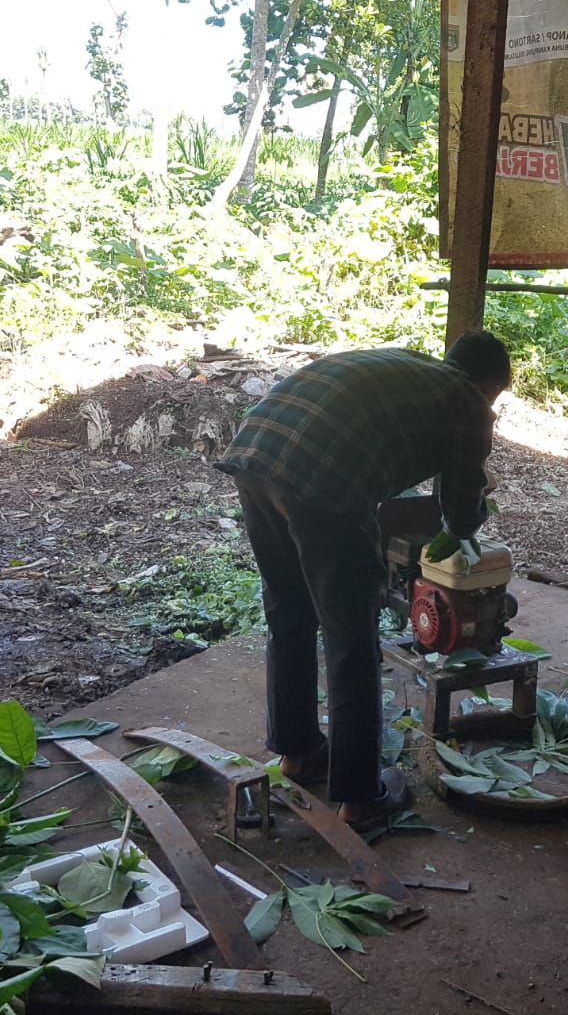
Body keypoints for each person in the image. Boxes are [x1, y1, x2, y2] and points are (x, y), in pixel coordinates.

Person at [217, 333, 512, 827]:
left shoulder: (413, 369)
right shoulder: (468, 400)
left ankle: (297, 753)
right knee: (350, 638)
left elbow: (374, 441)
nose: (492, 407)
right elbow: (460, 516)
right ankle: (359, 798)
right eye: (496, 398)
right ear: (488, 385)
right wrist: (472, 507)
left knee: (289, 613)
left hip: (256, 452)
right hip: (318, 479)